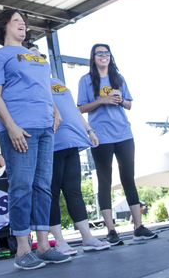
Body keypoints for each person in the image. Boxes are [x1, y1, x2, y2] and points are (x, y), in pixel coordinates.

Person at [0, 9, 70, 271]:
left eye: (24, 21)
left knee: (44, 186)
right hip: (19, 126)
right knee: (22, 185)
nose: (22, 24)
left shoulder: (38, 56)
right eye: (16, 21)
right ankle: (22, 250)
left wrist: (56, 113)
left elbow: (46, 89)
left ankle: (43, 247)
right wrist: (11, 127)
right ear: (4, 26)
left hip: (45, 126)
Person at [77, 44, 157, 244]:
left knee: (129, 179)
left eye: (107, 53)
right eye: (99, 53)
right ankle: (111, 230)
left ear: (110, 57)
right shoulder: (85, 80)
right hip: (101, 136)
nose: (104, 56)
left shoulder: (118, 78)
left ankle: (138, 226)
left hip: (123, 134)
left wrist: (120, 101)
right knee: (104, 182)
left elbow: (129, 104)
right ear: (93, 58)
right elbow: (80, 108)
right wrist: (102, 100)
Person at [49, 76, 111, 255]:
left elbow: (74, 110)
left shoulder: (58, 82)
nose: (39, 58)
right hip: (52, 141)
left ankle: (87, 237)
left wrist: (89, 130)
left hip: (72, 141)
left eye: (41, 55)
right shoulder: (33, 80)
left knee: (74, 191)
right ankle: (59, 242)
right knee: (52, 193)